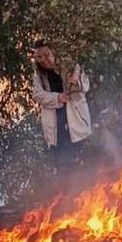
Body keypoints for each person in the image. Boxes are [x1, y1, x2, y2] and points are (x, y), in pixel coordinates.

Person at [31, 40, 92, 170]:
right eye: (39, 57)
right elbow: (38, 95)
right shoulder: (38, 76)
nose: (43, 59)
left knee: (82, 167)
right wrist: (58, 98)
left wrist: (75, 81)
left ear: (54, 52)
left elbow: (85, 86)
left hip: (77, 125)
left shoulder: (69, 67)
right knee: (62, 167)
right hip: (56, 129)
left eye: (46, 54)